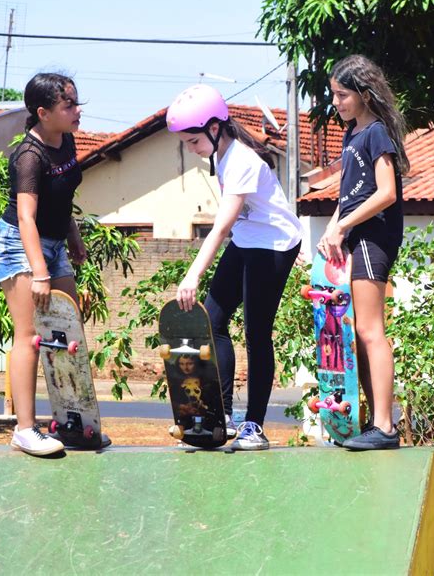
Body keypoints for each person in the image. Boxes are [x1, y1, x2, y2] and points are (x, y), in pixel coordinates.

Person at [166, 84, 302, 450]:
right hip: (247, 238)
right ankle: (219, 416)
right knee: (212, 320)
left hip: (273, 244)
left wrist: (193, 274)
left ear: (214, 128)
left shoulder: (240, 160)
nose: (190, 149)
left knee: (257, 332)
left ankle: (254, 426)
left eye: (192, 141)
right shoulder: (222, 156)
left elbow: (221, 225)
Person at [0, 73, 86, 456]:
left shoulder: (67, 141)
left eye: (77, 103)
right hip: (18, 246)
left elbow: (62, 198)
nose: (77, 112)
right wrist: (39, 273)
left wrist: (72, 236)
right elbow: (27, 218)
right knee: (30, 335)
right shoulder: (29, 155)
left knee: (67, 330)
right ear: (43, 113)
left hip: (55, 243)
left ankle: (71, 422)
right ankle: (25, 429)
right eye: (68, 106)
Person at [317, 55, 410, 451]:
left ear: (364, 94)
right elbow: (351, 193)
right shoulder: (352, 134)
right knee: (358, 332)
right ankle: (374, 423)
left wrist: (345, 224)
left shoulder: (376, 133)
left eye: (342, 94)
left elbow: (386, 192)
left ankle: (385, 426)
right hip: (356, 235)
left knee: (372, 331)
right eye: (333, 95)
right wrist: (333, 225)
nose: (336, 102)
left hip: (375, 238)